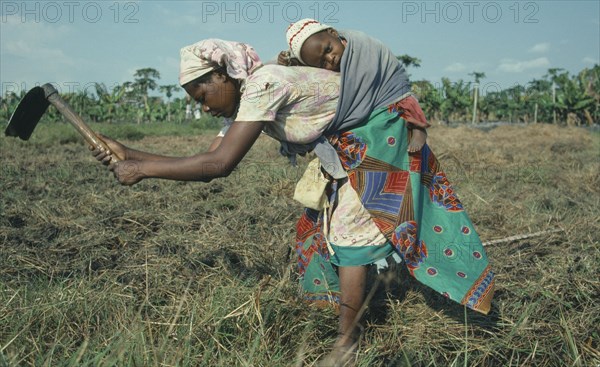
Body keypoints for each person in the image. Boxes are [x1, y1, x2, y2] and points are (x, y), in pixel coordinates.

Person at [93, 38, 494, 366]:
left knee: (348, 237)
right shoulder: (248, 97)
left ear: (222, 75)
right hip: (349, 147)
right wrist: (128, 153)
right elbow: (203, 156)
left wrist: (142, 170)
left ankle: (346, 348)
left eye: (202, 93)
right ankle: (350, 322)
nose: (202, 105)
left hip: (377, 139)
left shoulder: (265, 84)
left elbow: (218, 165)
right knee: (327, 230)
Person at [278, 18, 428, 153]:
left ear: (333, 32)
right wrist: (290, 65)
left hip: (390, 92)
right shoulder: (325, 71)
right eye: (323, 63)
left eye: (329, 49)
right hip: (360, 109)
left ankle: (418, 127)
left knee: (402, 102)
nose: (331, 59)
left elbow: (369, 74)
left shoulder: (362, 45)